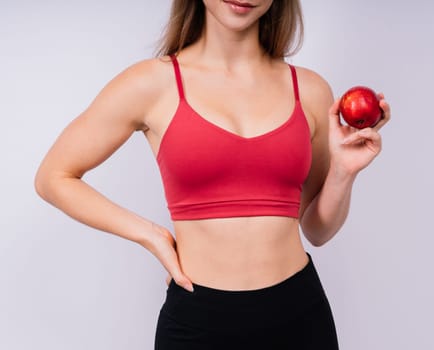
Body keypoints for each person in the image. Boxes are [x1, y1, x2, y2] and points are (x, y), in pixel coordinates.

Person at [35, 0, 390, 349]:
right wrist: (151, 235)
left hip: (299, 314)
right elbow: (54, 176)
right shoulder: (151, 83)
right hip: (196, 321)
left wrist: (344, 171)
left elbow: (317, 229)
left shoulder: (311, 90)